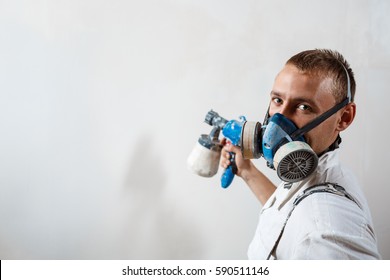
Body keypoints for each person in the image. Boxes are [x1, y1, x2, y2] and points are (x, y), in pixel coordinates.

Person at [220, 49, 381, 259]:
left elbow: (312, 223)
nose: (279, 119)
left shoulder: (327, 230)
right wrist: (247, 171)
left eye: (304, 107)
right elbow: (292, 215)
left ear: (344, 117)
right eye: (277, 100)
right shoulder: (319, 179)